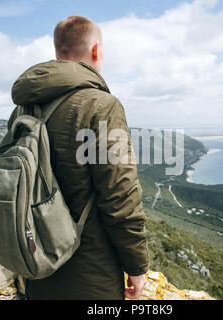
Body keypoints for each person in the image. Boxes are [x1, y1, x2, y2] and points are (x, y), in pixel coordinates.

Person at [9, 15, 149, 300]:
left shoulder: (25, 108)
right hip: (90, 274)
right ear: (96, 50)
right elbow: (119, 194)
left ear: (58, 52)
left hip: (36, 262)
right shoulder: (101, 106)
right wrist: (137, 265)